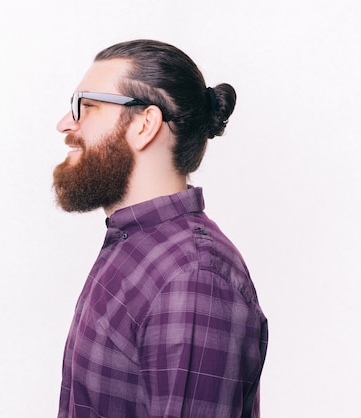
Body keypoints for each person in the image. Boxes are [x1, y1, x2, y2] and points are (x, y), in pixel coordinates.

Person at [53, 39, 268, 418]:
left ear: (145, 124)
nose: (66, 124)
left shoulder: (194, 276)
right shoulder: (133, 243)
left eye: (87, 107)